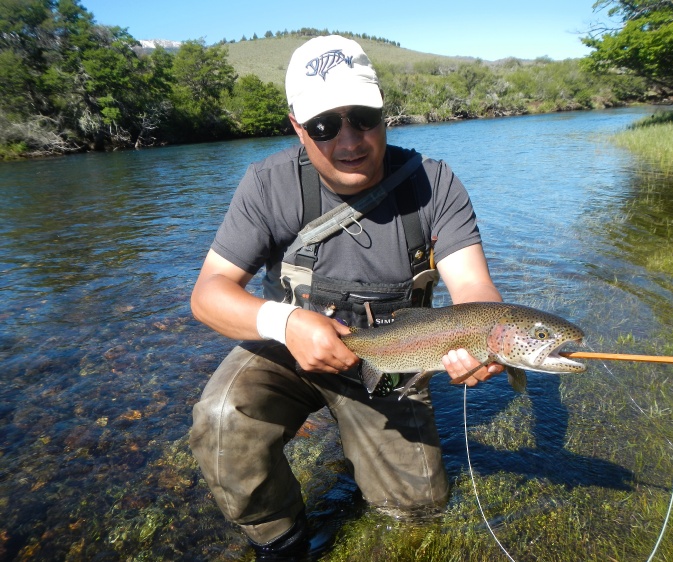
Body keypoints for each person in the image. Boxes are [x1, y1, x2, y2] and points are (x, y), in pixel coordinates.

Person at [189, 35, 503, 560]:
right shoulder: (267, 185)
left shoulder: (435, 184)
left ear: (384, 111)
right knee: (222, 418)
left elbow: (472, 287)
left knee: (417, 513)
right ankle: (282, 540)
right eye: (324, 126)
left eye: (363, 117)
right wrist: (285, 324)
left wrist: (483, 340)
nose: (349, 140)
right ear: (296, 126)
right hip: (287, 351)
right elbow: (208, 295)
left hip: (392, 363)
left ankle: (364, 465)